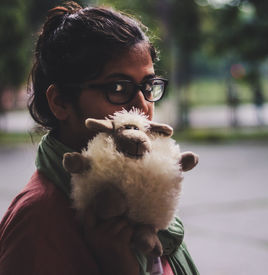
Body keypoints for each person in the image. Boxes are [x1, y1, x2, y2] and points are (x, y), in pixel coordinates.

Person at [0, 2, 199, 275]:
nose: (143, 107)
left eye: (148, 86)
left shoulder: (142, 199)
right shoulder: (39, 219)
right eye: (118, 88)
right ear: (60, 102)